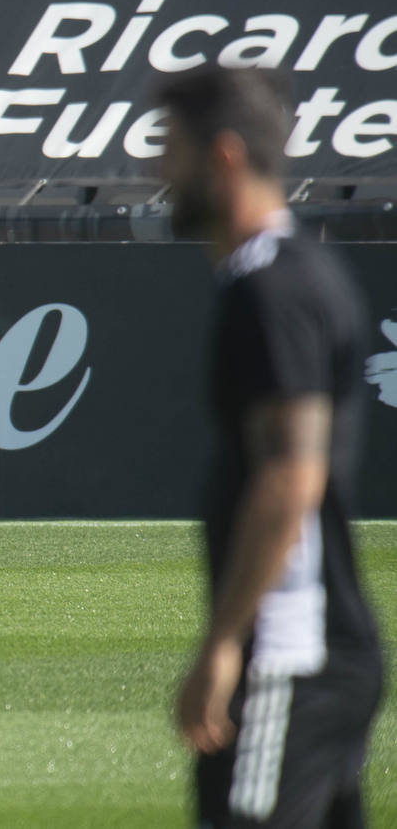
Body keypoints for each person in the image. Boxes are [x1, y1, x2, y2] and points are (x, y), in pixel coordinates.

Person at [161, 66, 383, 827]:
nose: (160, 169)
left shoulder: (272, 288)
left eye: (173, 148)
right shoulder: (286, 275)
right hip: (325, 657)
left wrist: (226, 644)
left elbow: (292, 479)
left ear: (223, 156)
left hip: (287, 656)